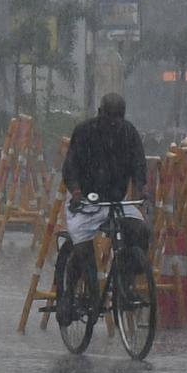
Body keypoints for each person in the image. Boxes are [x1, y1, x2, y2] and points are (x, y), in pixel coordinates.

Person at [58, 92, 150, 323]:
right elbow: (70, 167)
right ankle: (70, 294)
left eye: (118, 117)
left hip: (117, 203)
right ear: (100, 113)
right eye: (110, 117)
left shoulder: (130, 134)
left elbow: (139, 168)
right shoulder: (84, 132)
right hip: (86, 202)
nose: (114, 122)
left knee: (140, 230)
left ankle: (126, 283)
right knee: (82, 249)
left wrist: (140, 192)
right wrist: (77, 192)